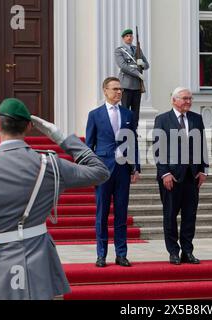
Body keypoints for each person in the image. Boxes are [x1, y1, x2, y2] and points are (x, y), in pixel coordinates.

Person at [0, 98, 110, 300]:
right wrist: (61, 137)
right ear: (29, 127)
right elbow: (100, 171)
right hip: (40, 266)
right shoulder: (50, 164)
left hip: (0, 266)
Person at [86, 77, 141, 268]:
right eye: (115, 89)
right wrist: (90, 169)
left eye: (121, 89)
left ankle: (121, 254)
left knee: (121, 213)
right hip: (102, 169)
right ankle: (101, 255)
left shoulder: (128, 114)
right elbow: (89, 145)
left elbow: (133, 141)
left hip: (123, 170)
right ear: (105, 90)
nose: (119, 92)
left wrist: (136, 166)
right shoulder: (95, 115)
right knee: (102, 214)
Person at [153, 87, 209, 265]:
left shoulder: (196, 119)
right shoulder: (162, 119)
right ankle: (173, 252)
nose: (189, 102)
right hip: (171, 177)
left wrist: (202, 170)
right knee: (170, 215)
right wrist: (165, 173)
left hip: (192, 176)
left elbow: (202, 145)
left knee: (190, 216)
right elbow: (158, 148)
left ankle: (187, 251)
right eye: (185, 99)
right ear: (174, 100)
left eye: (190, 99)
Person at [114, 28, 150, 131]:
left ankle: (134, 130)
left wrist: (142, 64)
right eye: (127, 36)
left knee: (136, 111)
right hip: (126, 84)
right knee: (125, 109)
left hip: (137, 85)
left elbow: (147, 64)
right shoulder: (119, 50)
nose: (129, 38)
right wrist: (138, 73)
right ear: (123, 38)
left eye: (131, 36)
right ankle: (125, 131)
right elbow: (123, 66)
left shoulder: (137, 49)